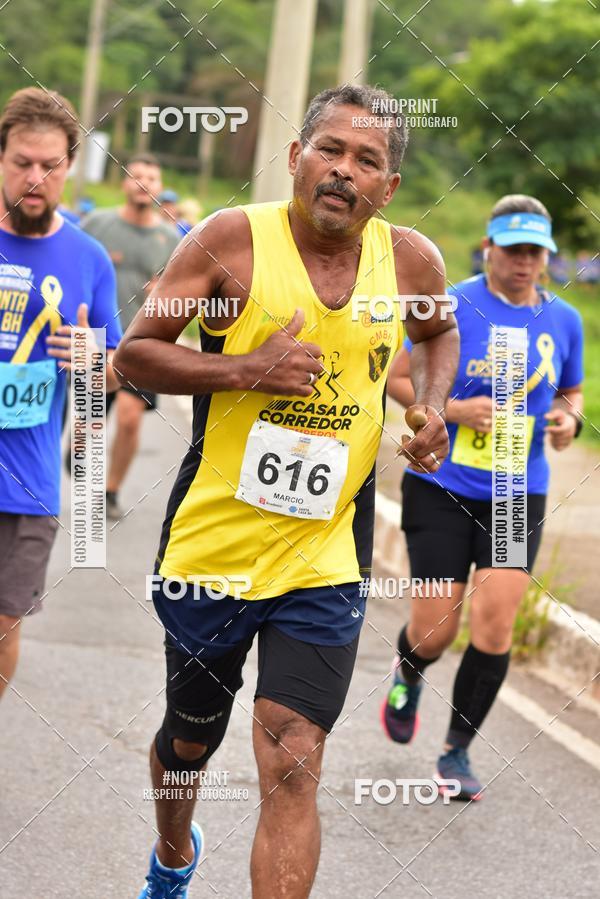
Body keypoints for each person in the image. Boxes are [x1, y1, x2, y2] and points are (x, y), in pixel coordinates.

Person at [114, 84, 459, 898]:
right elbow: (135, 353)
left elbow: (439, 328)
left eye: (366, 160)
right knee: (189, 742)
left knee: (295, 751)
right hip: (214, 545)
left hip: (324, 552)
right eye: (329, 149)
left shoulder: (411, 261)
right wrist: (244, 368)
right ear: (297, 156)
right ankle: (173, 852)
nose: (343, 170)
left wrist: (432, 405)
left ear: (388, 187)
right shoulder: (226, 241)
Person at [382, 194, 584, 801]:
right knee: (435, 630)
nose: (524, 262)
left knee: (495, 627)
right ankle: (410, 670)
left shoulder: (564, 319)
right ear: (489, 248)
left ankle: (456, 752)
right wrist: (452, 409)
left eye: (535, 252)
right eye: (513, 249)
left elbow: (571, 392)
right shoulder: (451, 303)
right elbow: (397, 378)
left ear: (547, 257)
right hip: (441, 485)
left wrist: (568, 421)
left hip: (517, 493)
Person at [0, 87, 121, 700]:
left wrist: (92, 360)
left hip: (29, 483)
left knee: (3, 627)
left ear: (70, 166)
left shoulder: (89, 259)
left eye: (49, 165)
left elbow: (115, 371)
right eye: (22, 162)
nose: (34, 177)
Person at [82, 154, 179, 519]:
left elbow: (184, 296)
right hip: (95, 340)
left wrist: (166, 297)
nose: (143, 183)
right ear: (124, 183)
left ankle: (110, 490)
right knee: (89, 421)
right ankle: (78, 446)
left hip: (143, 343)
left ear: (159, 186)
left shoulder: (171, 240)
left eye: (151, 178)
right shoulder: (97, 224)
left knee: (129, 417)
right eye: (136, 176)